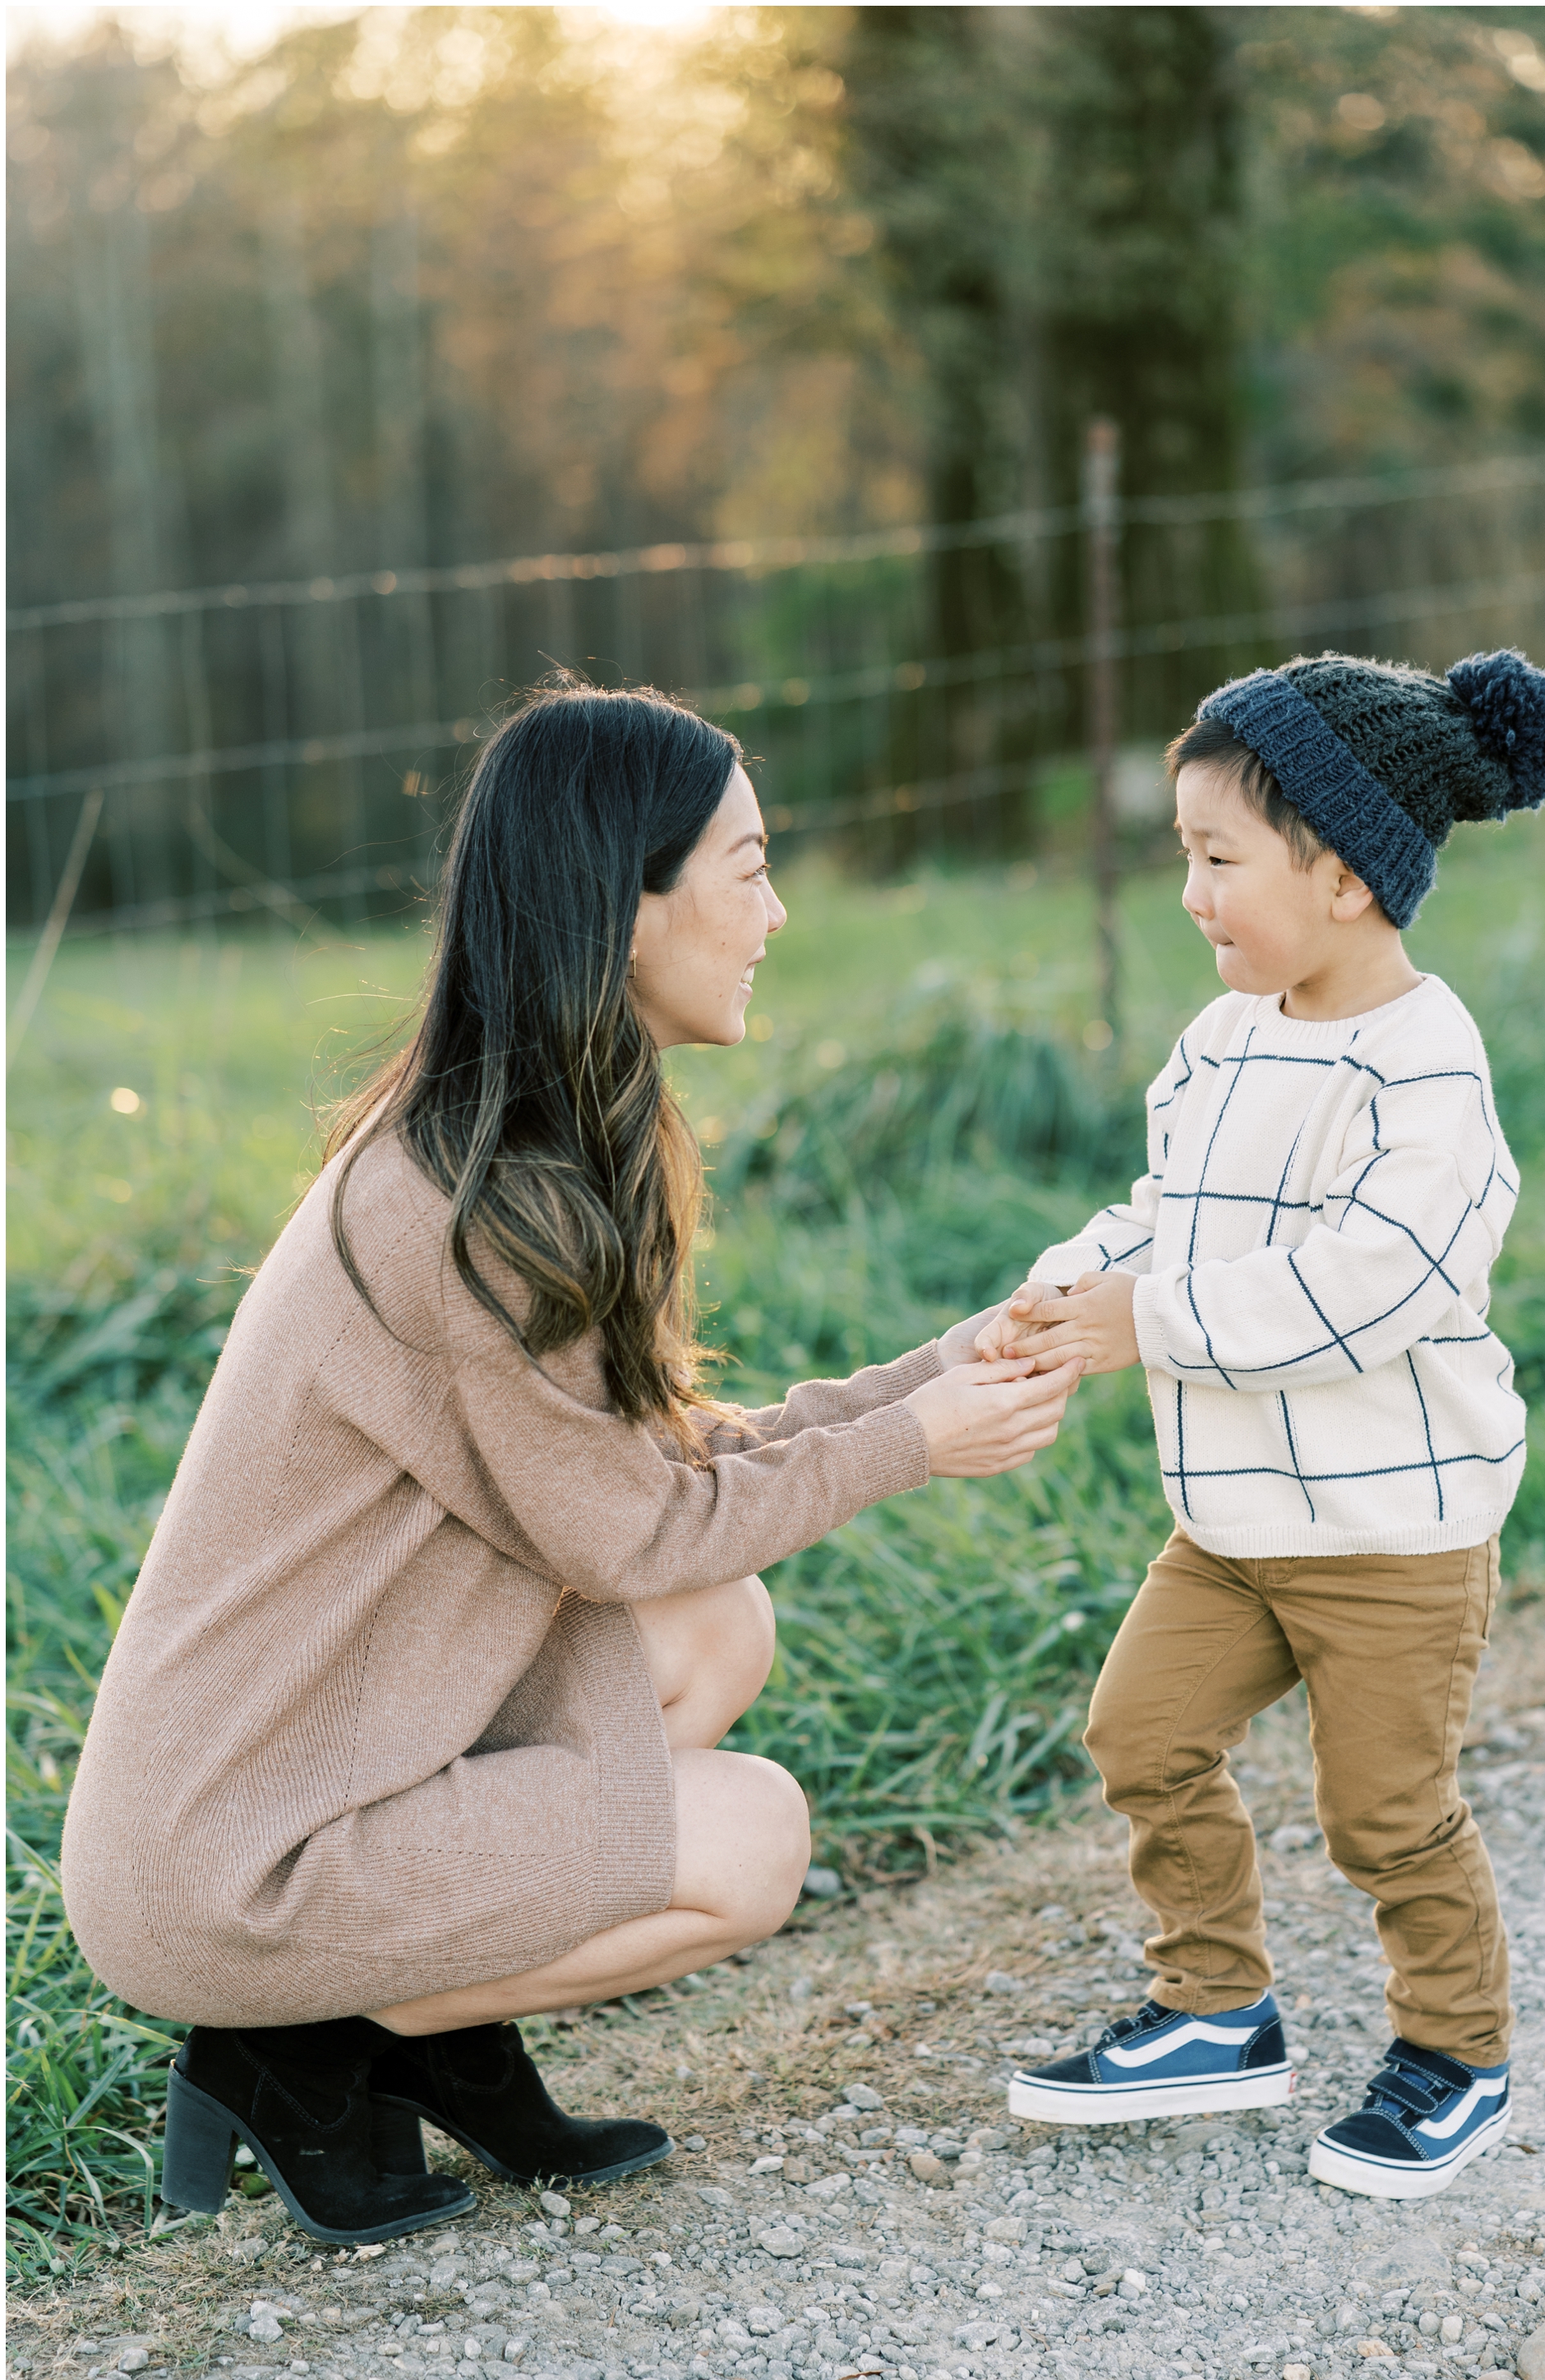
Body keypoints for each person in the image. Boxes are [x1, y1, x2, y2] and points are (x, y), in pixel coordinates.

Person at [61, 680, 1079, 2245]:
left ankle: (421, 2026)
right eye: (746, 867)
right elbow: (636, 1531)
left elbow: (650, 1469)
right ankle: (315, 2040)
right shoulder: (472, 1219)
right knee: (755, 1839)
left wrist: (932, 1373)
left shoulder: (514, 1141)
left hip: (325, 1758)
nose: (777, 908)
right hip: (231, 1859)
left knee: (720, 1625)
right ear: (628, 902)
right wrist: (913, 1448)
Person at [978, 648, 1545, 2200]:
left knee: (1385, 1813)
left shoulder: (1425, 1073)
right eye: (1182, 854)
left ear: (1346, 874)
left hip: (1391, 1530)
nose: (1191, 892)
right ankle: (1216, 2006)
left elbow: (1362, 1290)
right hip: (1237, 1522)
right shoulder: (1228, 1039)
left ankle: (1458, 2051)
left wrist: (1150, 1325)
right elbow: (1168, 1215)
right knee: (1141, 1730)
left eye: (1216, 857)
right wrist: (1072, 1285)